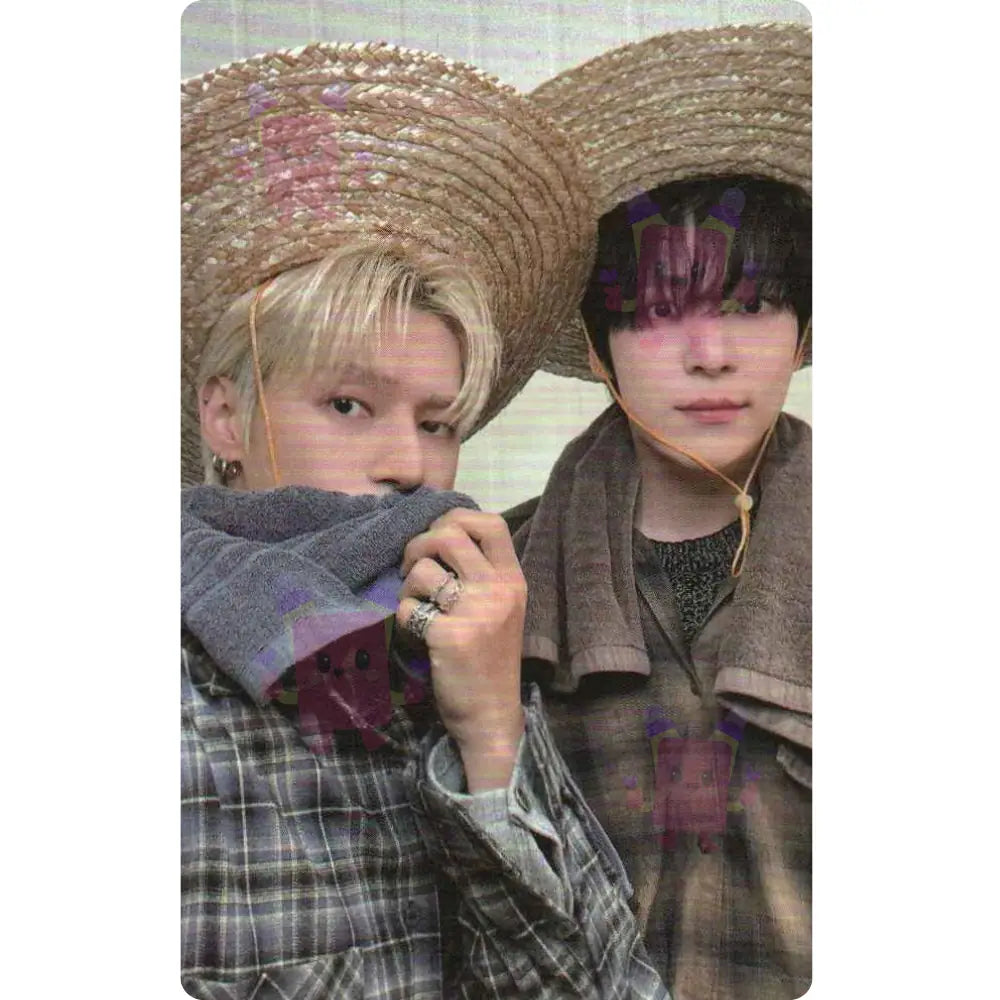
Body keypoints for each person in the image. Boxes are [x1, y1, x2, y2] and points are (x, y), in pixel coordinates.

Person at [180, 42, 669, 999]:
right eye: (349, 405)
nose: (410, 464)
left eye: (438, 422)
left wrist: (491, 730)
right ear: (226, 418)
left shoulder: (455, 638)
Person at [507, 24, 812, 1000]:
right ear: (598, 347)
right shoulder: (497, 577)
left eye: (752, 305)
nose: (710, 355)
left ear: (805, 330)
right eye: (658, 311)